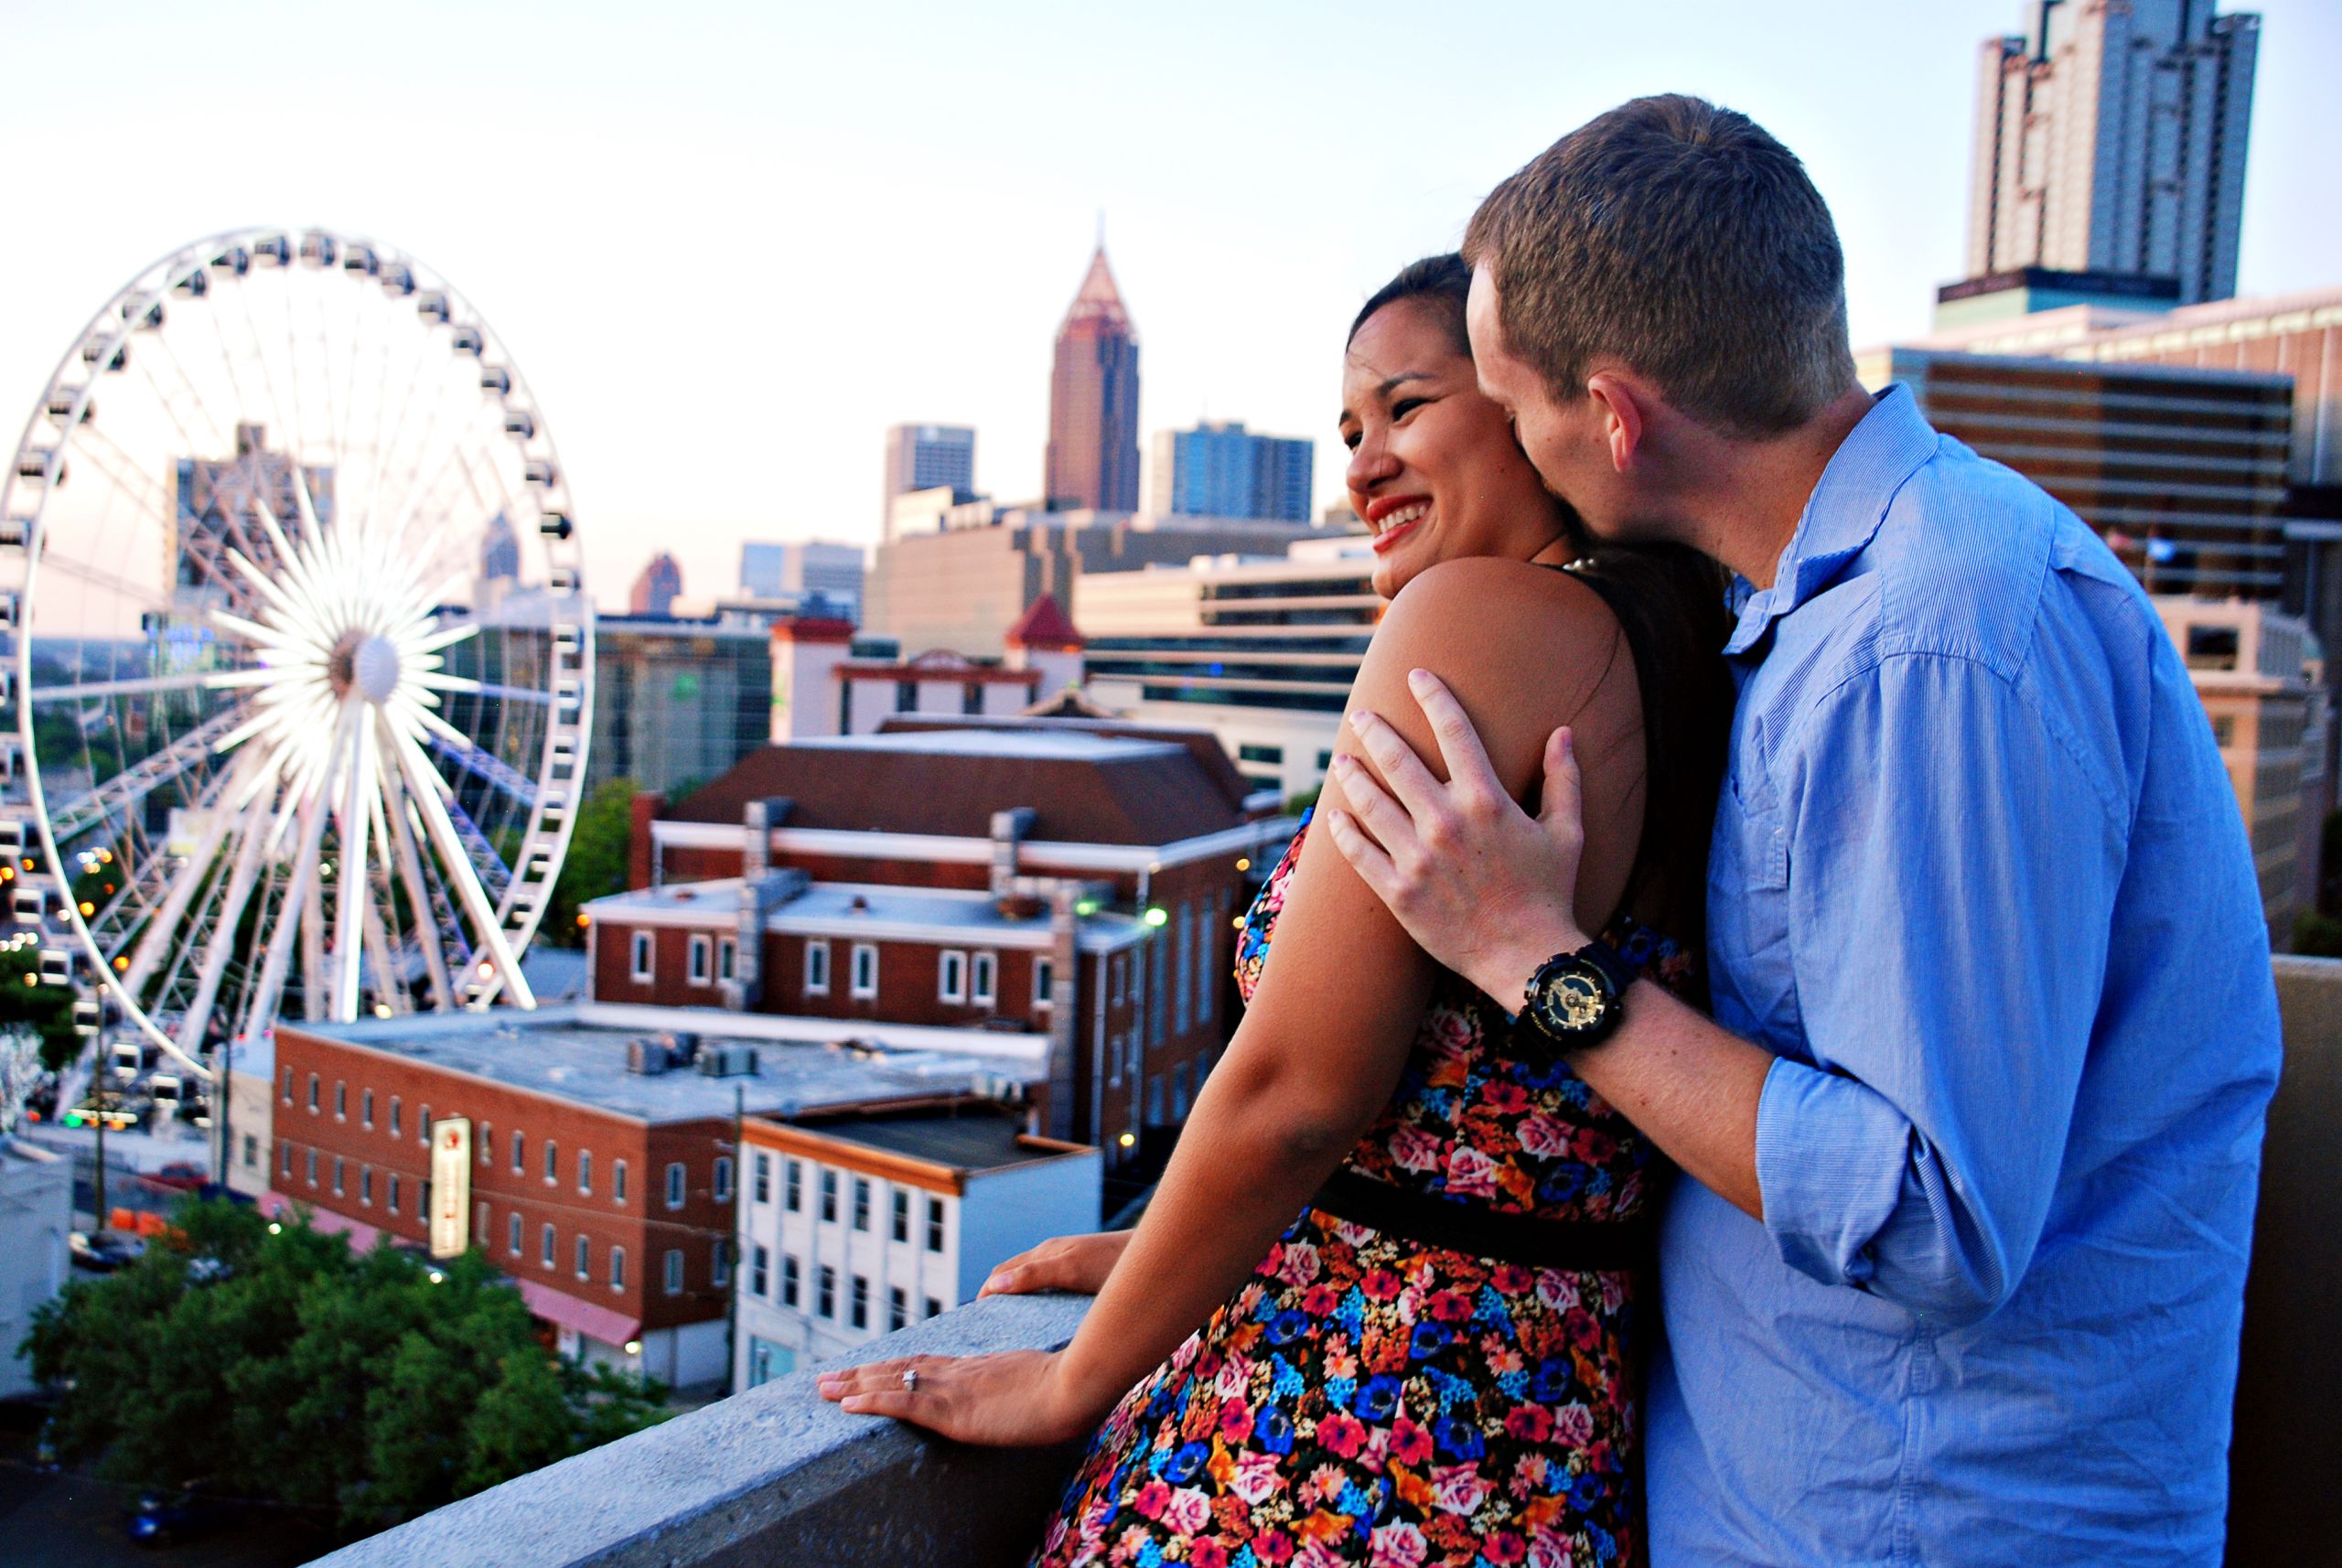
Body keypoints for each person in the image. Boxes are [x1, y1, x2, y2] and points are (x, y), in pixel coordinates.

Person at [1321, 97, 2283, 1566]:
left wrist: (1534, 957)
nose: (1510, 448)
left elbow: (1935, 1217)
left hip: (1921, 1521)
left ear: (1617, 417)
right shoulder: (1816, 610)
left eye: (1515, 409)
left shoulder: (1934, 640)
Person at [819, 252, 1734, 1566]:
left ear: (1536, 404)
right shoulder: (1680, 646)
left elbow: (1306, 1087)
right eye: (1350, 431)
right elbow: (1470, 1123)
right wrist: (1147, 1258)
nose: (1362, 469)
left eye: (1405, 407)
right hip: (1540, 1433)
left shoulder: (1476, 618)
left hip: (1359, 1424)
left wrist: (1069, 1377)